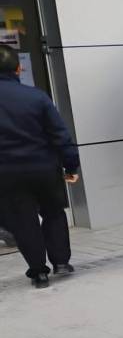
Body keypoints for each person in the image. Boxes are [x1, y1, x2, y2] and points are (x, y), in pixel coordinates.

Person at [0, 44, 79, 289]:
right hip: (44, 168)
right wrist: (71, 165)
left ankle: (38, 271)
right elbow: (60, 135)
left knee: (24, 221)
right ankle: (61, 262)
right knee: (54, 212)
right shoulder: (36, 96)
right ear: (18, 67)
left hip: (8, 173)